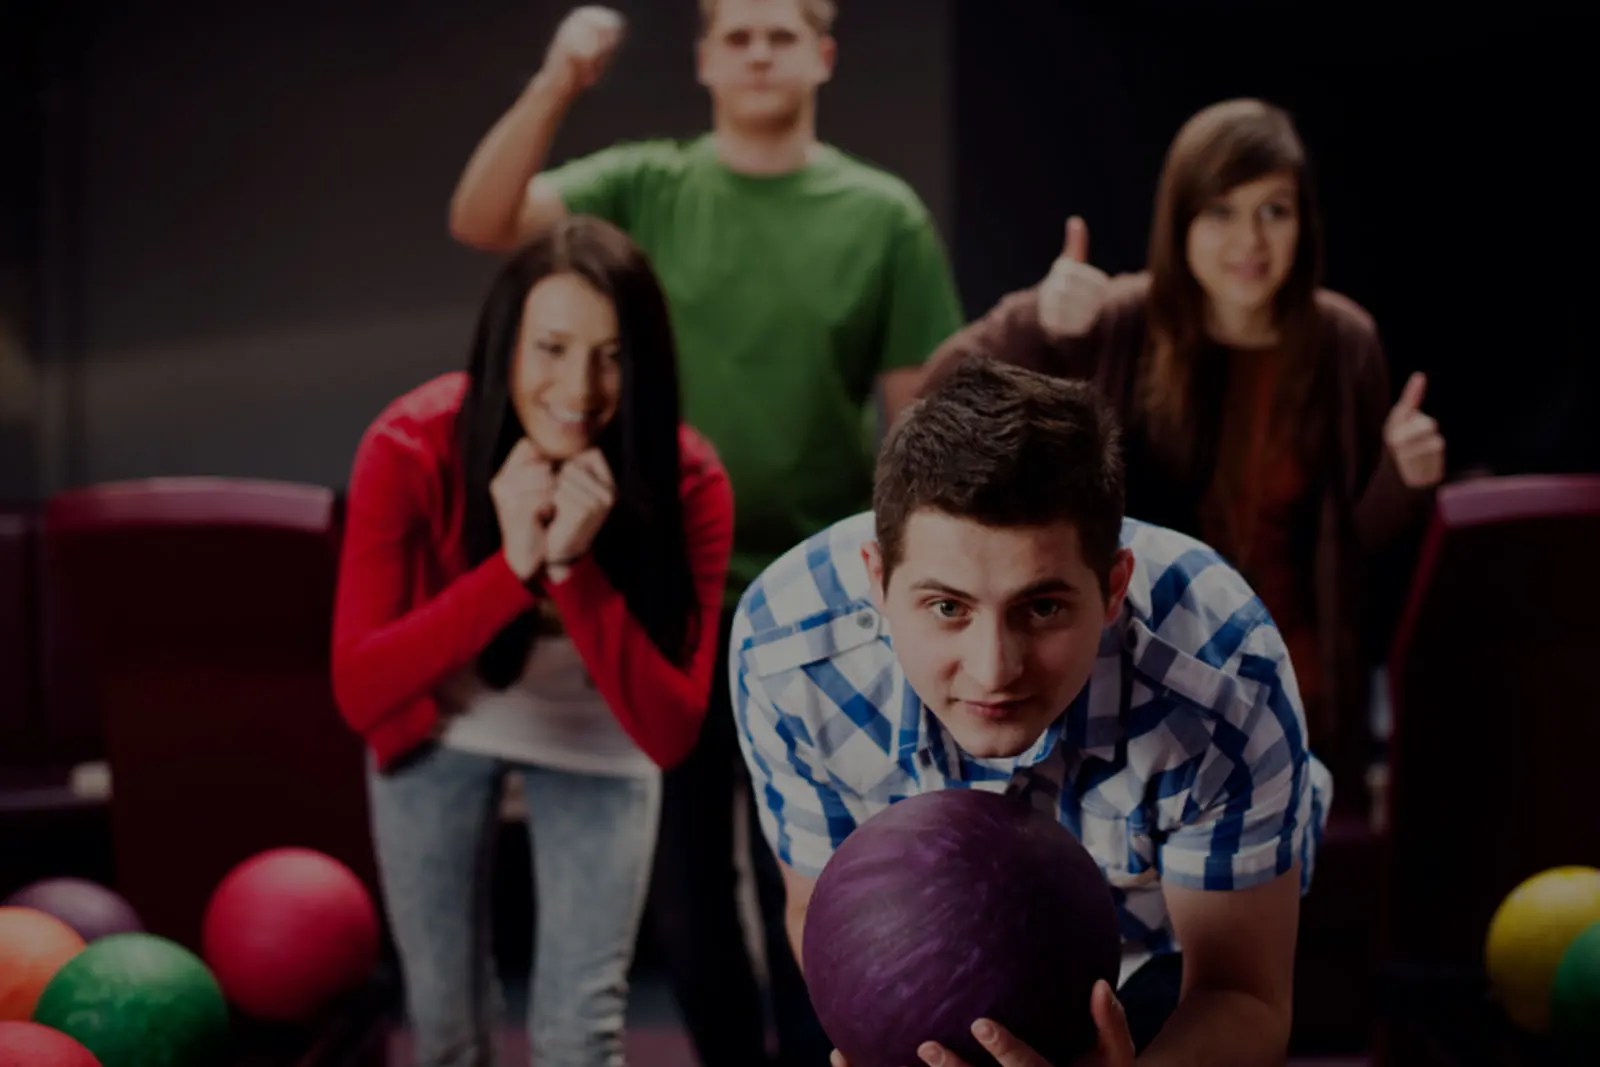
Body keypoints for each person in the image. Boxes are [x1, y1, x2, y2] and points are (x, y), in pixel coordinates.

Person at [448, 3, 964, 1063]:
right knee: (686, 895)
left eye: (783, 32)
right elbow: (483, 217)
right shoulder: (645, 184)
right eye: (737, 34)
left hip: (829, 603)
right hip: (670, 593)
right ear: (704, 61)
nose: (760, 51)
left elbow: (924, 423)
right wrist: (557, 80)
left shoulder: (882, 215)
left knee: (823, 878)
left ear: (823, 54)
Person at [733, 359, 1329, 1066]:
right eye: (947, 607)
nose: (994, 668)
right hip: (936, 941)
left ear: (1113, 589)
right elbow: (824, 912)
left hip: (1167, 933)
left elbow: (1242, 995)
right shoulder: (787, 651)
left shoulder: (1225, 675)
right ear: (877, 580)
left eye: (1041, 607)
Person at [924, 98, 1445, 804]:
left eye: (1275, 211)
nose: (1250, 240)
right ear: (1181, 220)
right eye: (1221, 211)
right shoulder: (1122, 319)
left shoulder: (1342, 341)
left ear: (1304, 223)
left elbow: (1356, 550)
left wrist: (1403, 480)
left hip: (1297, 687)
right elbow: (938, 397)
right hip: (1138, 683)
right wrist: (1037, 319)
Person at [331, 216, 733, 1067]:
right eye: (550, 347)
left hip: (600, 733)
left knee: (577, 1039)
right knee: (446, 1026)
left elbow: (670, 732)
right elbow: (361, 689)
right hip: (440, 722)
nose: (579, 386)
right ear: (504, 346)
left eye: (612, 354)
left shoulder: (690, 479)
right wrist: (510, 571)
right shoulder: (408, 446)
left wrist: (574, 568)